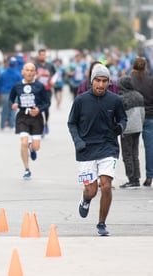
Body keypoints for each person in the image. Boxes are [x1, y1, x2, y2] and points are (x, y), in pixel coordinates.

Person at [67, 64, 127, 236]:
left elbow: (123, 118)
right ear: (91, 81)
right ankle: (85, 199)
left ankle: (101, 223)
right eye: (98, 81)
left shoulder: (115, 100)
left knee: (106, 186)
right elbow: (71, 123)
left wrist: (120, 127)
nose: (101, 85)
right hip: (86, 149)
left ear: (109, 82)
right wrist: (78, 141)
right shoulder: (80, 100)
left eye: (104, 81)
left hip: (108, 147)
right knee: (92, 190)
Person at [10, 62, 50, 180]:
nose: (29, 72)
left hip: (36, 118)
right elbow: (10, 99)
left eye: (31, 70)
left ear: (35, 73)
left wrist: (39, 109)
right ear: (22, 72)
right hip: (22, 116)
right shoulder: (17, 86)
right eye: (27, 70)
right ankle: (27, 169)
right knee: (23, 142)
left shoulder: (40, 86)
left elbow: (47, 102)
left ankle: (32, 148)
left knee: (36, 147)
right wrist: (14, 104)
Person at [116, 76, 145, 189]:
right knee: (135, 154)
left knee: (127, 155)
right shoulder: (139, 96)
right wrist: (140, 125)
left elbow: (120, 116)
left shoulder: (122, 98)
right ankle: (136, 178)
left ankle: (131, 179)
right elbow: (143, 113)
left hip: (127, 129)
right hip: (138, 128)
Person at [130, 57, 153, 187]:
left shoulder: (130, 81)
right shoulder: (150, 81)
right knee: (150, 147)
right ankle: (149, 176)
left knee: (132, 148)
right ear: (145, 67)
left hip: (134, 115)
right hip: (149, 116)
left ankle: (134, 177)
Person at [0, 57, 22, 130]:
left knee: (4, 110)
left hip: (4, 94)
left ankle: (2, 126)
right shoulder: (18, 74)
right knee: (13, 110)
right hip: (14, 94)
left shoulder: (3, 73)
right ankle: (12, 125)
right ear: (15, 64)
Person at [34, 49, 55, 136]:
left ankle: (46, 123)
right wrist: (37, 76)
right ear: (38, 56)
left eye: (44, 55)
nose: (42, 56)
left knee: (46, 108)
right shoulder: (35, 65)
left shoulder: (50, 65)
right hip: (37, 90)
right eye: (41, 55)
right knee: (38, 108)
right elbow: (31, 76)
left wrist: (53, 81)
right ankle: (41, 125)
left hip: (47, 90)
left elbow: (55, 74)